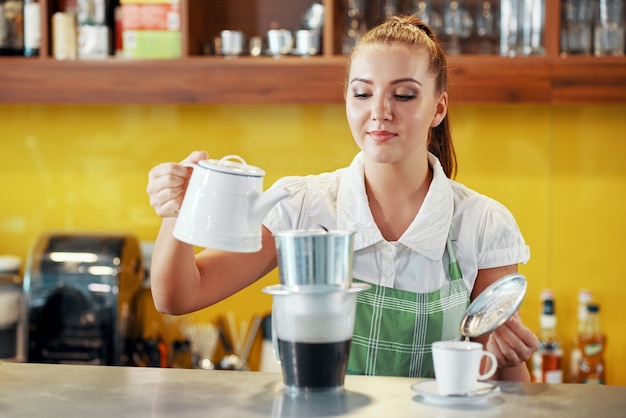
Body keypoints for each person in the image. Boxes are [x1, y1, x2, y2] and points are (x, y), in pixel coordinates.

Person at [146, 15, 538, 381]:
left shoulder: (483, 224)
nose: (379, 112)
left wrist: (513, 357)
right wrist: (175, 213)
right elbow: (179, 295)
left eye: (403, 95)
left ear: (438, 107)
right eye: (363, 93)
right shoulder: (301, 206)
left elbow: (505, 385)